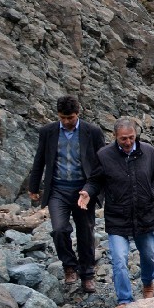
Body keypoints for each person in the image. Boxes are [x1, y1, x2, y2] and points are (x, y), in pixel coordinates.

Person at [78, 118, 154, 308]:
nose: (128, 142)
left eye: (131, 138)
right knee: (119, 259)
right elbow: (95, 181)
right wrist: (87, 192)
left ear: (136, 135)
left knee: (149, 255)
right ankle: (124, 299)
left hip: (144, 215)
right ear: (115, 137)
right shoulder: (104, 155)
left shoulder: (148, 152)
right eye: (123, 139)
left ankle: (148, 285)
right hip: (117, 216)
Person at [26, 95, 106, 293]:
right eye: (62, 118)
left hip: (83, 190)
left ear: (78, 114)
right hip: (57, 189)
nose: (66, 122)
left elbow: (101, 163)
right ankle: (69, 266)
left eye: (70, 118)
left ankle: (87, 274)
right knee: (59, 229)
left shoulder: (92, 132)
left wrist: (92, 188)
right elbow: (40, 160)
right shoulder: (48, 132)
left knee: (86, 231)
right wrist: (34, 187)